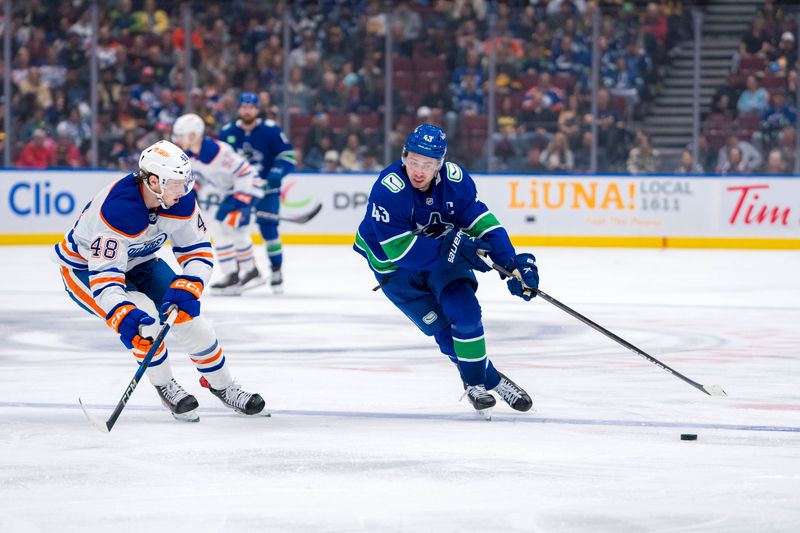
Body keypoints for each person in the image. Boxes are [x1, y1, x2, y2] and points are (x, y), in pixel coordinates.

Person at [51, 140, 265, 422]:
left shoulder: (181, 198)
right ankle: (165, 386)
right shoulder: (117, 210)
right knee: (144, 322)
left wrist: (191, 283)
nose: (185, 188)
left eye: (186, 180)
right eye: (177, 182)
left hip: (141, 262)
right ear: (153, 181)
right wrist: (120, 311)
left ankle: (223, 386)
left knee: (190, 318)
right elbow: (105, 277)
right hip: (85, 270)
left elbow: (198, 250)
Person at [353, 124, 538, 418]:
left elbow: (482, 222)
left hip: (439, 259)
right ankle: (491, 379)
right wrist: (452, 247)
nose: (418, 170)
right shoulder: (390, 188)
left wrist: (511, 262)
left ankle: (475, 383)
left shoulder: (456, 182)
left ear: (441, 164)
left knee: (465, 313)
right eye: (413, 161)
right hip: (394, 270)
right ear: (404, 156)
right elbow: (399, 251)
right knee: (444, 333)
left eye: (428, 164)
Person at [172, 113, 266, 295]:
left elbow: (244, 172)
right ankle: (235, 274)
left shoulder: (218, 151)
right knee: (220, 229)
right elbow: (198, 177)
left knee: (231, 226)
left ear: (193, 135)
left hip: (247, 188)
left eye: (181, 135)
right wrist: (193, 193)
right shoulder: (192, 155)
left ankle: (249, 271)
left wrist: (242, 199)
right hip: (231, 193)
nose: (177, 140)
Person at [221, 93, 296, 292]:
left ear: (257, 109)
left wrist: (275, 175)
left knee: (269, 230)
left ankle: (276, 270)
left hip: (267, 191)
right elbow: (221, 162)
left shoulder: (270, 130)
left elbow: (288, 156)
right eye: (244, 106)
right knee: (233, 229)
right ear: (239, 109)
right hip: (240, 192)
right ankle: (240, 272)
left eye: (251, 107)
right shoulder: (228, 132)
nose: (247, 110)